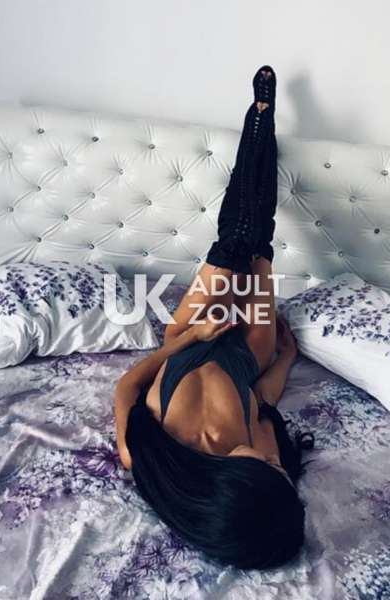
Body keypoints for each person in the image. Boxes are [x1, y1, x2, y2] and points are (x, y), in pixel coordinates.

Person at [114, 66, 314, 570]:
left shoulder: (148, 458)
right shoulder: (264, 455)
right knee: (258, 242)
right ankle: (262, 120)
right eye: (279, 469)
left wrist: (190, 338)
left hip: (190, 339)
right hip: (248, 352)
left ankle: (259, 117)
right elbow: (264, 400)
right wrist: (286, 358)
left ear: (232, 484)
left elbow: (127, 387)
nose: (274, 460)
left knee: (232, 245)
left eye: (268, 469)